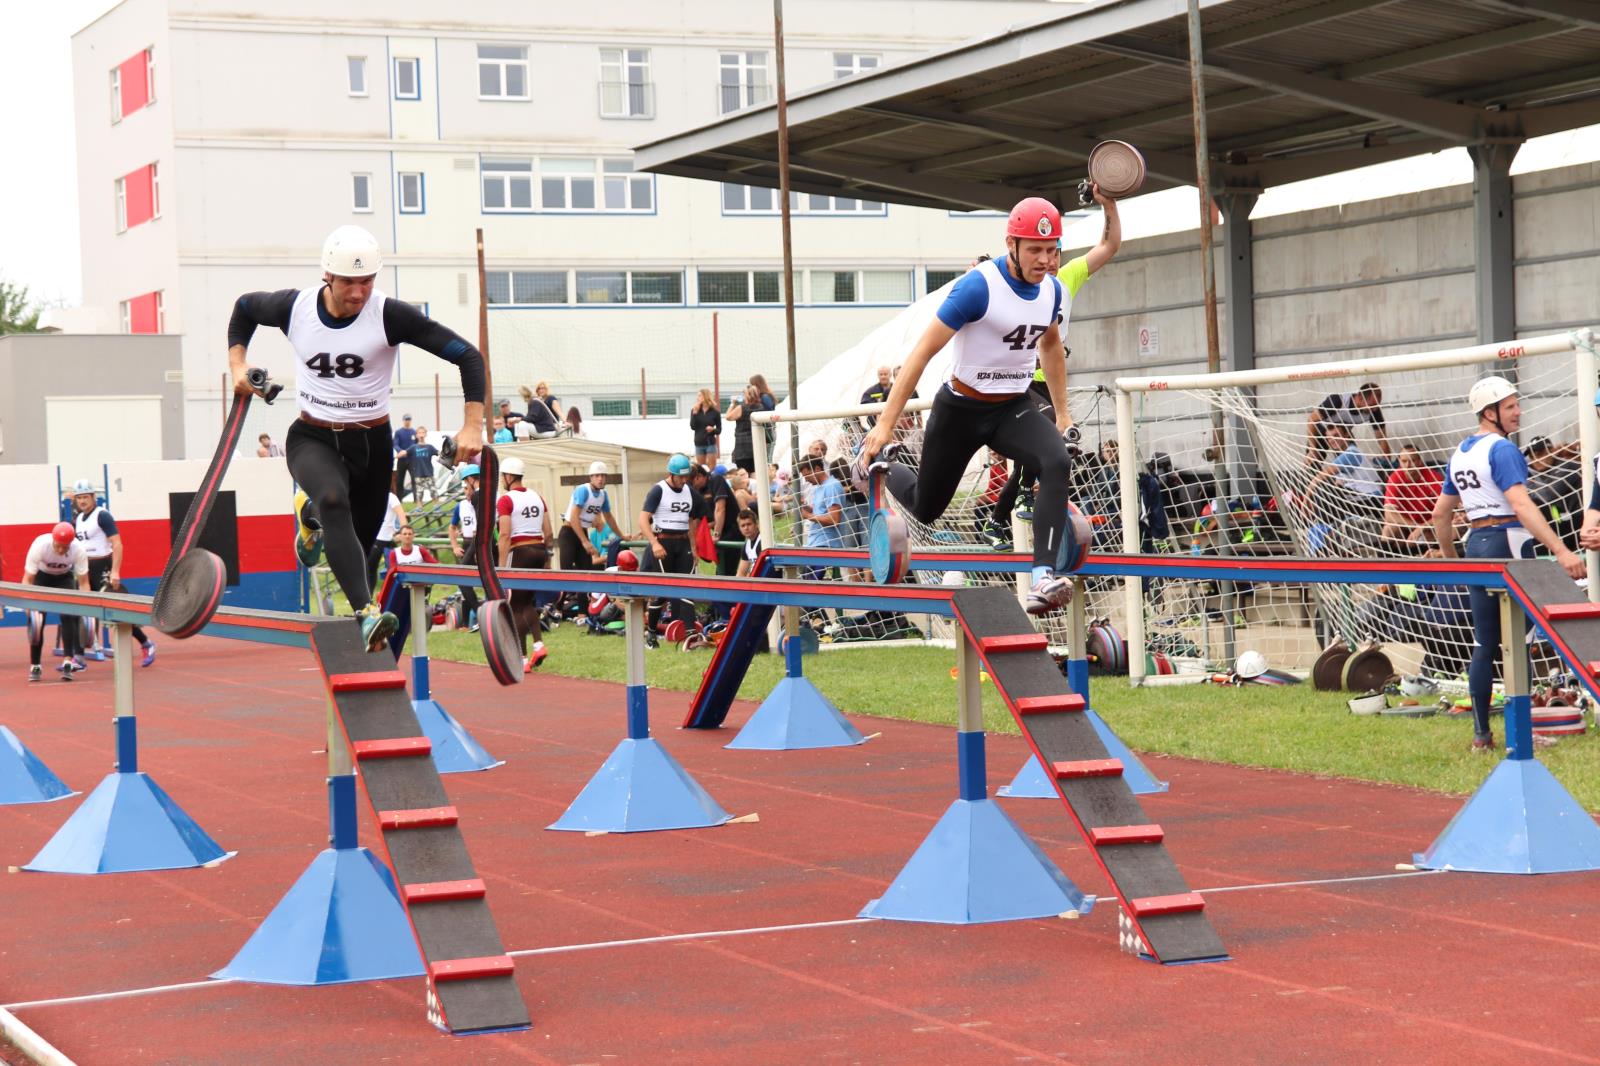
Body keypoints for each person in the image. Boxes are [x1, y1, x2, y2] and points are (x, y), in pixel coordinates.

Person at [861, 188, 1121, 614]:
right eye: (1034, 250)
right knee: (927, 508)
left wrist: (1062, 413)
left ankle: (1042, 577)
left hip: (1010, 408)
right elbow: (920, 356)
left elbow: (1051, 347)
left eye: (1051, 250)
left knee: (1056, 460)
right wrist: (886, 424)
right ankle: (880, 465)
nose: (1045, 261)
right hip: (960, 410)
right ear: (1011, 246)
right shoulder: (977, 288)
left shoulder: (1052, 291)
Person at [226, 225, 485, 652]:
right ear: (328, 276)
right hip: (313, 436)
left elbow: (466, 357)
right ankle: (366, 613)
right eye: (349, 281)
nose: (359, 292)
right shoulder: (296, 307)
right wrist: (239, 365)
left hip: (373, 445)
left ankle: (308, 518)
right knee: (333, 500)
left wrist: (472, 425)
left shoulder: (389, 315)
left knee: (358, 544)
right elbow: (244, 310)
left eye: (367, 281)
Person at [1432, 376, 1583, 753]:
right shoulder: (1502, 450)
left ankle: (1481, 736)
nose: (1519, 412)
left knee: (1484, 643)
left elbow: (1440, 515)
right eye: (1511, 406)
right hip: (1510, 541)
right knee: (1523, 641)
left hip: (1476, 546)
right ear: (1490, 412)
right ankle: (1524, 732)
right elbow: (1521, 505)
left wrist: (1453, 561)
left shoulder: (1460, 453)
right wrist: (1561, 551)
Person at [69, 479, 157, 667]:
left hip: (103, 567)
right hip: (85, 570)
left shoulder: (103, 516)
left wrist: (115, 571)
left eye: (85, 497)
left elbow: (117, 543)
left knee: (116, 613)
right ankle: (78, 657)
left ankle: (146, 643)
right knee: (80, 610)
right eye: (79, 498)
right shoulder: (77, 519)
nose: (82, 501)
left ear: (93, 497)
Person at [495, 456, 554, 671]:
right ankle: (536, 646)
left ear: (509, 476)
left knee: (514, 605)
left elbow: (504, 534)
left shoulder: (505, 500)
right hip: (539, 550)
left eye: (503, 476)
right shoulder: (537, 497)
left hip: (520, 551)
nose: (502, 479)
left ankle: (522, 657)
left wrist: (501, 567)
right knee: (527, 603)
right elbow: (548, 532)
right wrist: (546, 558)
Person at [639, 454, 704, 635]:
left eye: (686, 477)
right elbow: (643, 519)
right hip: (663, 542)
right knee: (662, 591)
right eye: (680, 477)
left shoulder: (689, 491)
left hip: (683, 543)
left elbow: (691, 520)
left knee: (688, 587)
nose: (684, 481)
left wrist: (693, 547)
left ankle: (691, 634)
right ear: (671, 474)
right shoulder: (658, 490)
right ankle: (651, 632)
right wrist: (654, 543)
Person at [22, 523, 91, 681]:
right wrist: (28, 604)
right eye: (58, 546)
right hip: (41, 578)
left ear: (71, 543)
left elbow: (84, 583)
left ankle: (68, 660)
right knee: (37, 620)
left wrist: (87, 605)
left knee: (69, 615)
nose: (61, 550)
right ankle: (35, 665)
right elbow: (28, 579)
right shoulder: (40, 545)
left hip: (64, 579)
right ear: (53, 540)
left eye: (65, 547)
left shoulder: (78, 550)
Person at [560, 460, 623, 573]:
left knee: (586, 569)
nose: (600, 479)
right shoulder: (583, 490)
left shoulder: (603, 495)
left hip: (582, 531)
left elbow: (609, 517)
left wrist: (621, 535)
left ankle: (584, 591)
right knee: (567, 570)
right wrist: (585, 541)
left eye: (603, 476)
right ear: (591, 477)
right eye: (597, 476)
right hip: (569, 532)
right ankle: (566, 591)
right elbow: (574, 518)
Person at [1308, 383, 1389, 465]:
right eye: (1371, 405)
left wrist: (1387, 462)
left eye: (1377, 405)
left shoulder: (1374, 411)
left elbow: (1382, 438)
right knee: (1313, 462)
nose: (1375, 409)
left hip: (1343, 434)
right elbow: (1311, 420)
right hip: (1321, 431)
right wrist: (1312, 449)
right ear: (1360, 398)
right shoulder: (1337, 401)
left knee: (1352, 461)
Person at [1381, 444, 1444, 545]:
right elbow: (1389, 515)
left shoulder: (1434, 477)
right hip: (1406, 525)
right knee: (1388, 530)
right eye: (1404, 461)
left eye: (1412, 461)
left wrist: (1422, 527)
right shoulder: (1395, 477)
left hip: (1429, 526)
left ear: (1419, 461)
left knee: (1430, 536)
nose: (1408, 465)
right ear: (1399, 462)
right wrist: (1415, 526)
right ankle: (1383, 560)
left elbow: (1446, 511)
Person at [447, 463, 482, 631]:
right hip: (467, 543)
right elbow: (452, 527)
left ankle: (485, 614)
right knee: (463, 580)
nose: (469, 491)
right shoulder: (460, 506)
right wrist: (454, 546)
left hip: (482, 543)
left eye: (470, 488)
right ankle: (475, 613)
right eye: (466, 488)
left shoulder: (483, 500)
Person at [365, 491, 407, 594]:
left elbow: (401, 516)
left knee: (371, 569)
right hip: (379, 537)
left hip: (383, 538)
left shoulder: (390, 497)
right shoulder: (370, 495)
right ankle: (369, 597)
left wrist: (402, 534)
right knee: (372, 568)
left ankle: (369, 597)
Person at [399, 426, 440, 503]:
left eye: (423, 432)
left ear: (426, 434)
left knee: (433, 492)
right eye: (419, 433)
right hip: (418, 474)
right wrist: (396, 455)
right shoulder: (413, 447)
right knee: (419, 494)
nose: (421, 434)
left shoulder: (430, 447)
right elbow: (404, 453)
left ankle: (437, 508)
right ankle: (419, 509)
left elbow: (439, 453)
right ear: (416, 435)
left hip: (429, 474)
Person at [726, 385, 759, 475]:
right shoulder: (761, 407)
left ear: (747, 395)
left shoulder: (742, 408)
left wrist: (733, 404)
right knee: (756, 472)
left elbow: (728, 417)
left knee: (744, 472)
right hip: (757, 444)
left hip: (742, 447)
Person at [689, 389, 722, 466]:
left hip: (710, 443)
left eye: (700, 395)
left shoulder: (715, 412)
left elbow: (719, 430)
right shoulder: (695, 410)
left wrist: (713, 429)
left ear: (706, 396)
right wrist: (694, 413)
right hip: (699, 443)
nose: (698, 398)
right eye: (698, 396)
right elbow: (693, 427)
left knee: (711, 468)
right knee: (702, 468)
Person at [392, 414, 417, 500]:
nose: (407, 421)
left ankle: (416, 499)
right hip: (402, 459)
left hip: (412, 460)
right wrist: (401, 451)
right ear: (403, 421)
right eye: (406, 420)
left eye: (409, 420)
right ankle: (399, 499)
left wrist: (408, 451)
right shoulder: (399, 432)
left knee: (414, 479)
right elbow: (395, 444)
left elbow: (416, 445)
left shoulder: (414, 432)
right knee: (399, 480)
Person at [734, 508, 763, 578]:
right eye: (743, 526)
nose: (746, 528)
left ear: (756, 524)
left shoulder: (762, 542)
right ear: (739, 528)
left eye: (749, 524)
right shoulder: (747, 545)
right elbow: (740, 573)